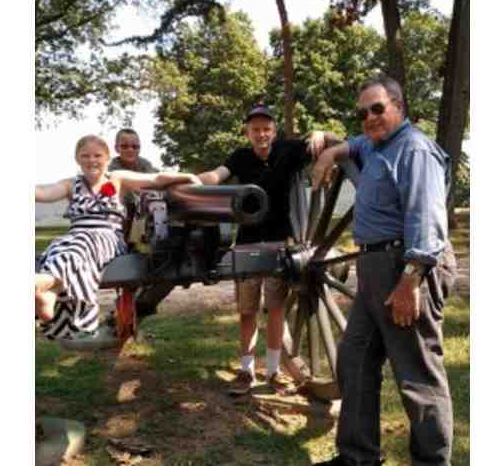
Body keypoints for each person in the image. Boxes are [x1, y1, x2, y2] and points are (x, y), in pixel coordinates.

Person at [312, 76, 453, 466]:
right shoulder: (374, 145)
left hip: (406, 266)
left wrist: (411, 281)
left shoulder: (414, 149)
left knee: (417, 374)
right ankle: (357, 457)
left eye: (378, 108)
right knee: (354, 359)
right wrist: (328, 154)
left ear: (398, 107)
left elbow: (427, 221)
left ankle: (431, 462)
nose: (370, 118)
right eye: (363, 113)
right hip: (373, 266)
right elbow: (350, 145)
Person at [198, 104, 327, 395]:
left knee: (276, 310)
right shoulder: (241, 157)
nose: (261, 134)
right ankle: (246, 372)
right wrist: (193, 182)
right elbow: (217, 175)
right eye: (255, 129)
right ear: (247, 132)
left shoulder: (289, 150)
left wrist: (322, 132)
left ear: (274, 130)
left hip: (280, 245)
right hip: (246, 244)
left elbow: (328, 143)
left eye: (266, 128)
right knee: (247, 312)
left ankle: (272, 371)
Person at [35, 134, 200, 340]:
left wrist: (187, 176)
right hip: (76, 235)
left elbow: (155, 179)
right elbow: (44, 192)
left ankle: (44, 282)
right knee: (59, 247)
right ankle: (50, 291)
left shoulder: (117, 178)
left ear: (106, 158)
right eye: (85, 156)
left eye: (97, 155)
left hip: (107, 237)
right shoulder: (70, 184)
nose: (92, 160)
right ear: (77, 159)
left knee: (81, 246)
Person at [109, 127, 158, 243]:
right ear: (116, 148)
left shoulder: (145, 164)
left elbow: (154, 183)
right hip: (124, 204)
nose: (130, 150)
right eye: (124, 146)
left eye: (135, 147)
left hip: (144, 202)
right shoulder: (112, 167)